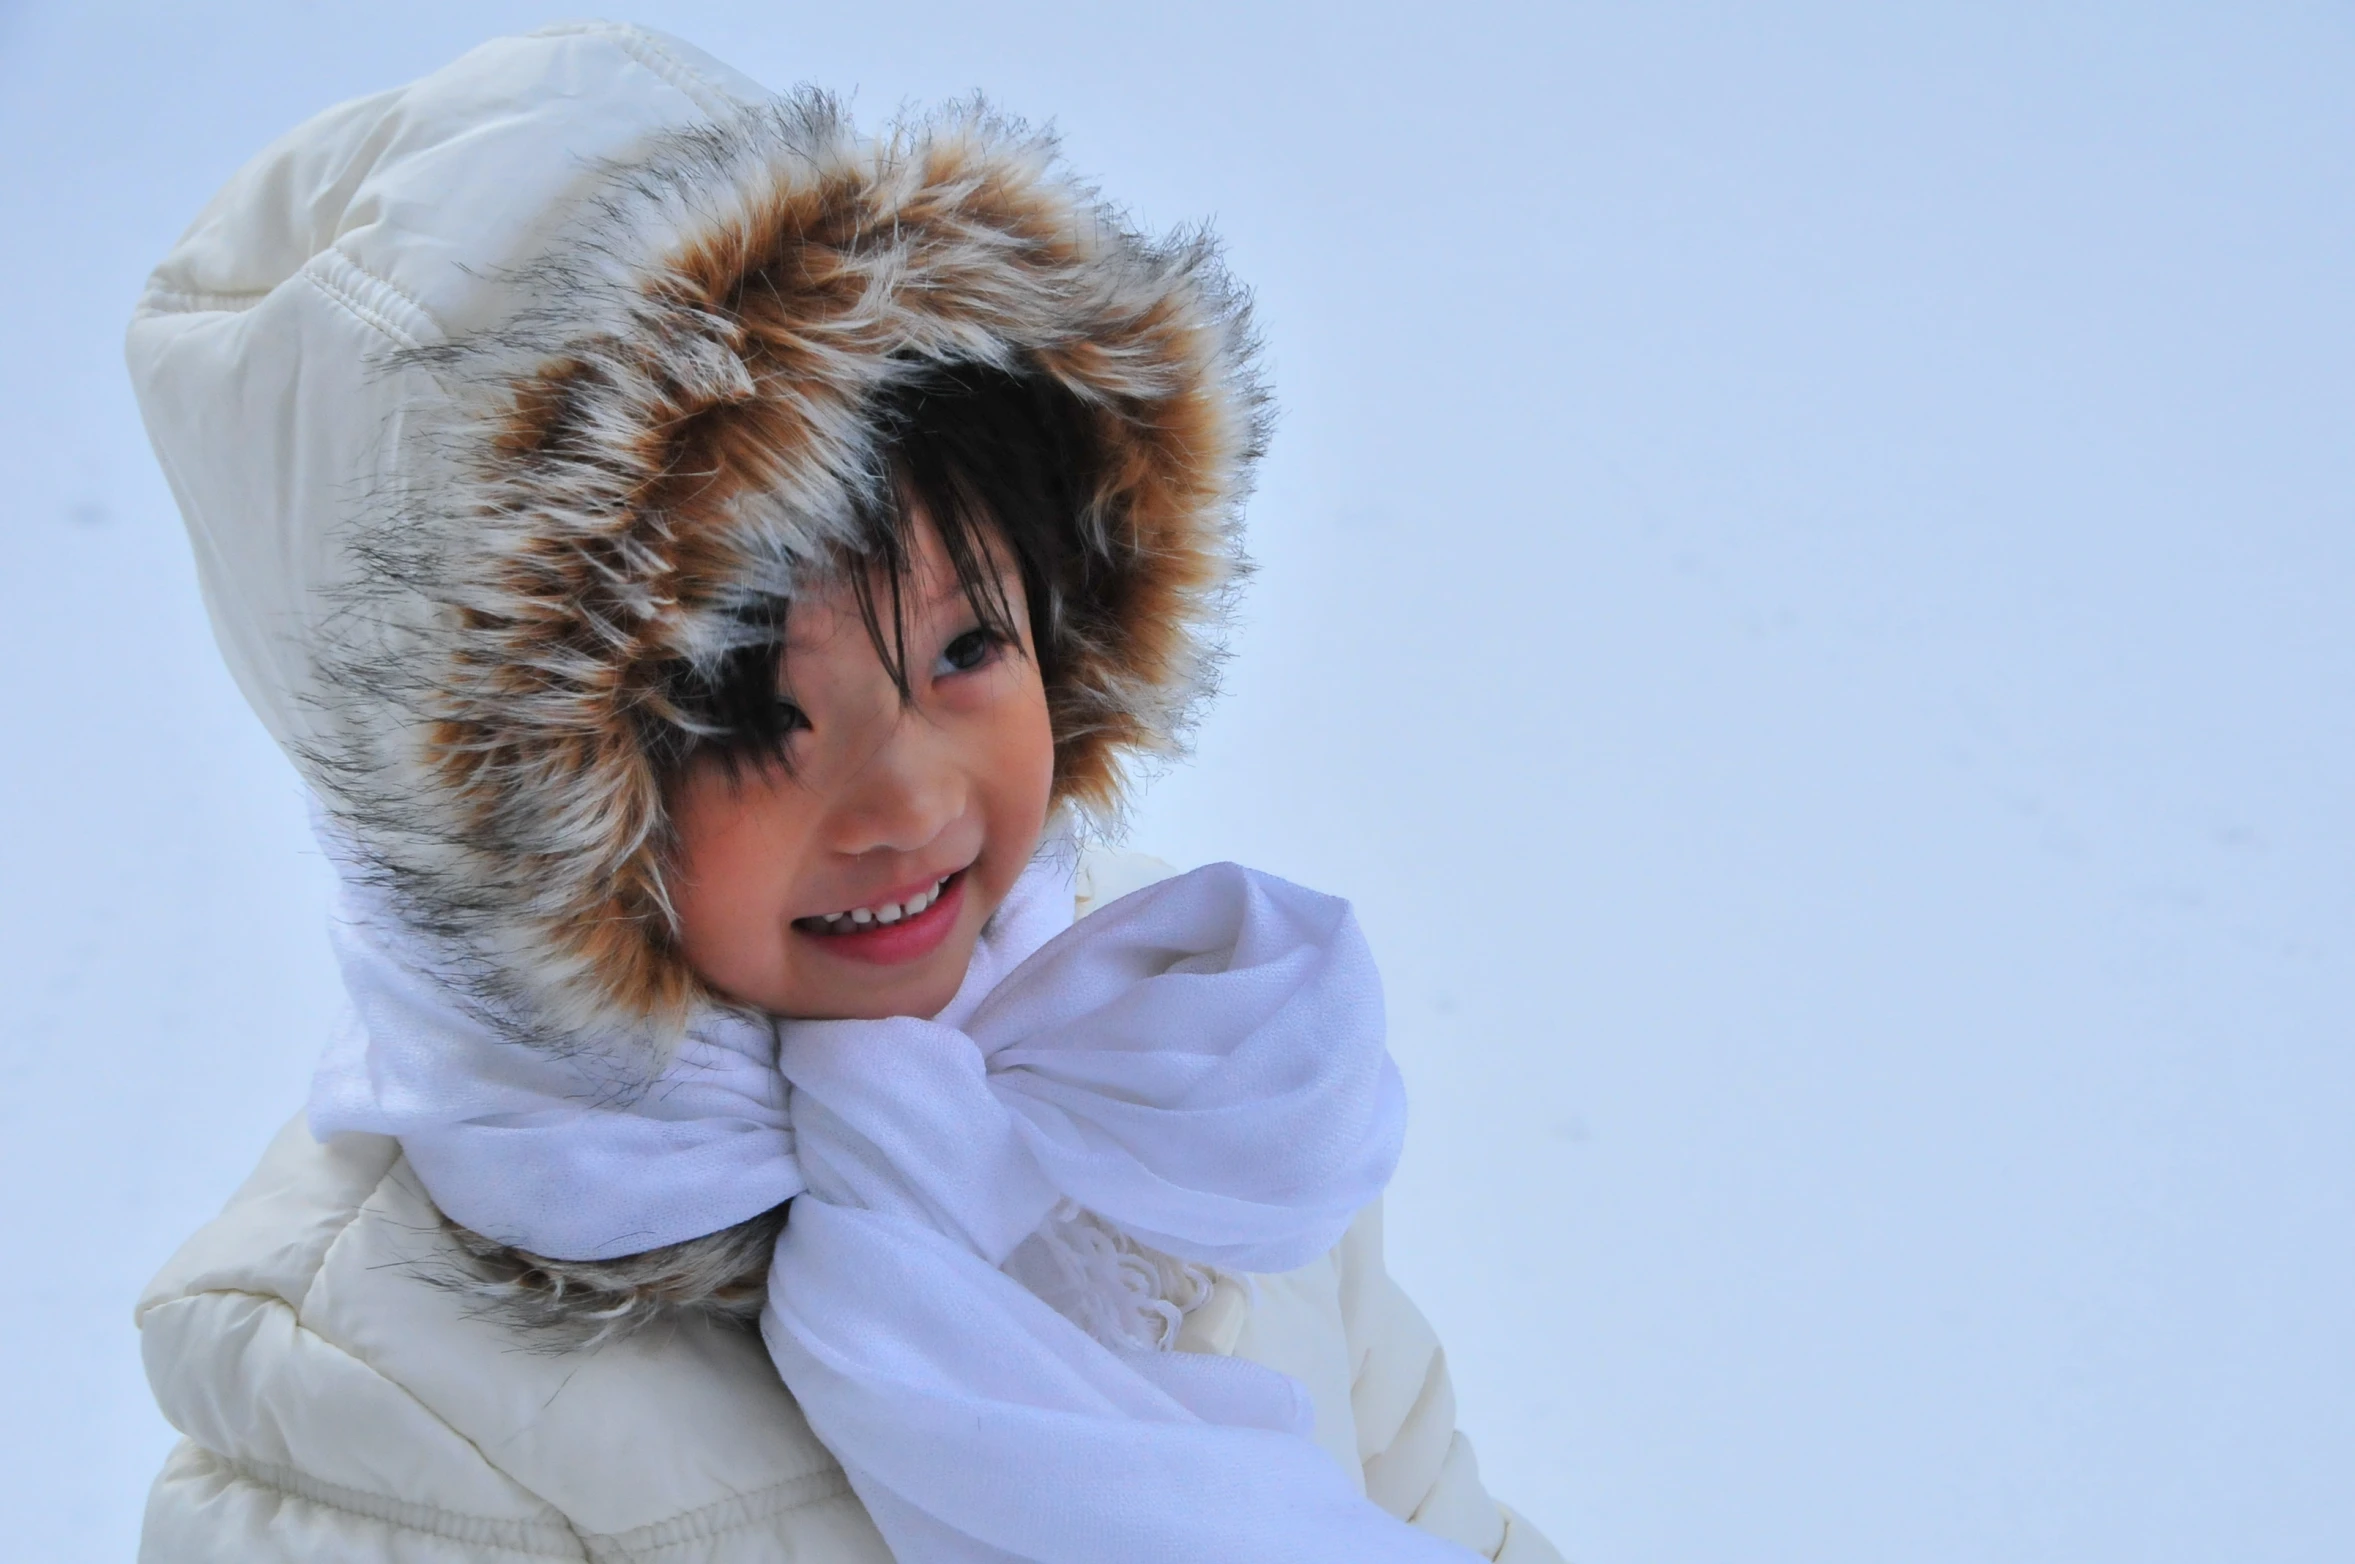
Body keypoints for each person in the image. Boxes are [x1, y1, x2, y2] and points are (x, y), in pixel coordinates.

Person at [127, 23, 1564, 1564]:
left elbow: (1432, 1509)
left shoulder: (1168, 1059)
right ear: (525, 809)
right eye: (753, 713)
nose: (902, 801)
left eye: (962, 648)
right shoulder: (379, 1379)